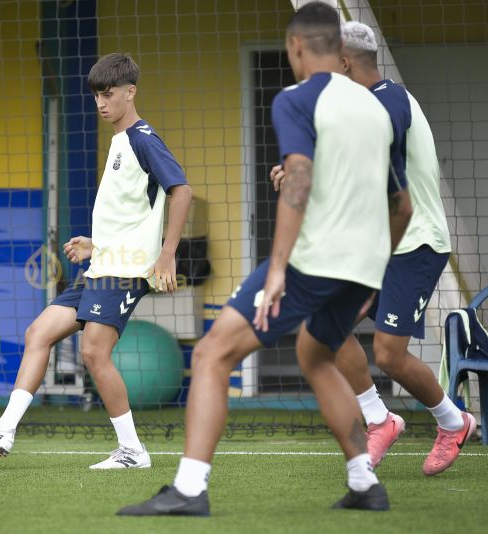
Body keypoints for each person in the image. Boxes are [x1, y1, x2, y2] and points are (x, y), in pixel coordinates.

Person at [118, 2, 411, 516]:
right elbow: (401, 205)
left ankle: (188, 490)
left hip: (312, 261)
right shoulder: (375, 106)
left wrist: (277, 270)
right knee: (316, 355)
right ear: (340, 50)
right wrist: (373, 272)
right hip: (361, 266)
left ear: (297, 46)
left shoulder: (296, 99)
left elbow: (297, 180)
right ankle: (365, 482)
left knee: (212, 355)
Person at [0, 53, 193, 470]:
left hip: (125, 271)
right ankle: (4, 429)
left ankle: (132, 451)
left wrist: (168, 253)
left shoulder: (142, 138)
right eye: (97, 96)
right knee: (39, 332)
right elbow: (130, 211)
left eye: (108, 94)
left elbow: (182, 190)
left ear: (130, 92)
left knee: (93, 353)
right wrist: (94, 243)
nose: (102, 103)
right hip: (103, 264)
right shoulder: (120, 142)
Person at [328, 21, 474, 475]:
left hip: (415, 243)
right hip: (380, 246)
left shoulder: (388, 101)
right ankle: (379, 419)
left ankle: (453, 422)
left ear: (346, 62)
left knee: (389, 353)